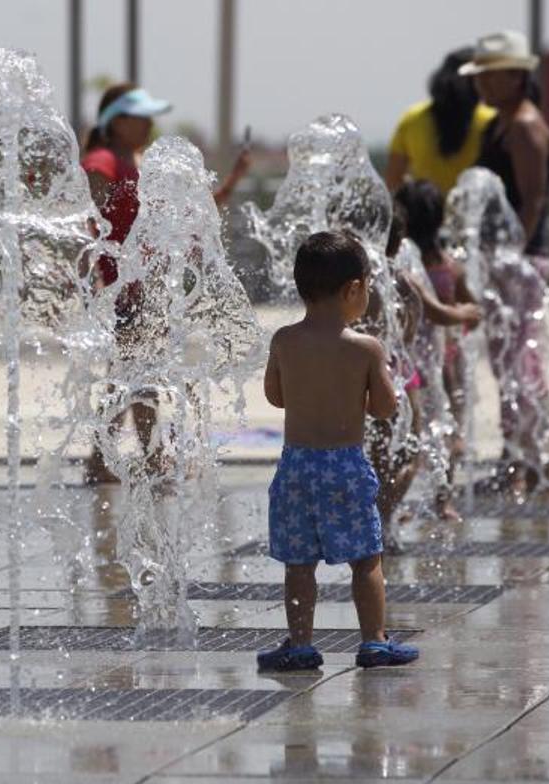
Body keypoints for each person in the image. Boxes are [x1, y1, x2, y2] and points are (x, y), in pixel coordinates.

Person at [257, 231, 420, 671]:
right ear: (353, 289)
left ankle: (301, 644)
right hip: (345, 465)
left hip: (295, 466)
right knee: (367, 559)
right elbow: (385, 408)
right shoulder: (365, 348)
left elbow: (276, 396)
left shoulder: (284, 341)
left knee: (298, 562)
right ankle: (374, 642)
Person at [81, 83, 251, 483]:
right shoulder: (105, 159)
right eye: (142, 118)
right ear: (117, 121)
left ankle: (104, 458)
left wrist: (233, 181)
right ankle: (147, 459)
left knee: (129, 375)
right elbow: (88, 209)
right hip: (124, 288)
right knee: (139, 375)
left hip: (148, 288)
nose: (149, 125)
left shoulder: (139, 161)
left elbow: (197, 211)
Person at [395, 180, 482, 512]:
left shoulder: (400, 265)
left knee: (410, 431)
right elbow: (472, 311)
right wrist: (462, 321)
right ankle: (443, 500)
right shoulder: (449, 266)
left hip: (409, 360)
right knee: (448, 427)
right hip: (445, 359)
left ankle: (401, 500)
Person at [461, 31, 549, 257]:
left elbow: (532, 202)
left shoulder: (524, 127)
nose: (482, 83)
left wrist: (510, 258)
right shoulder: (496, 125)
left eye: (490, 75)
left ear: (517, 76)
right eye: (479, 76)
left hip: (521, 257)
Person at [385, 48, 497, 195]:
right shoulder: (491, 120)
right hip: (474, 215)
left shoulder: (412, 119)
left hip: (426, 215)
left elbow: (393, 180)